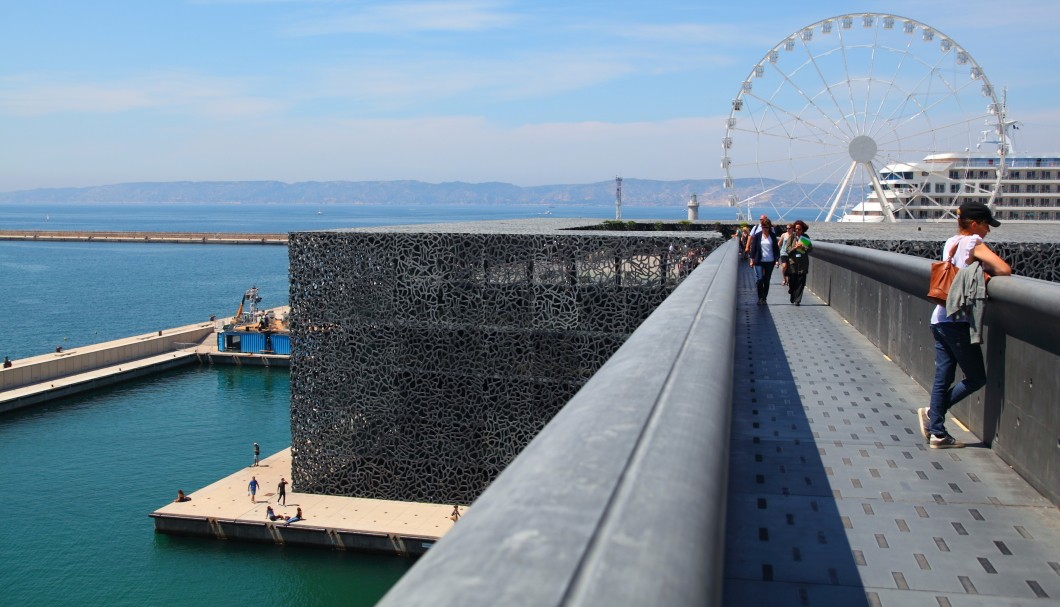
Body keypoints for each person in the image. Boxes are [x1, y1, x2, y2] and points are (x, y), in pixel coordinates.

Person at [919, 201, 1011, 449]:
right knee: (976, 377)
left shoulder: (951, 242)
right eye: (986, 225)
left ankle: (937, 429)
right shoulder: (973, 243)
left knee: (943, 377)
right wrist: (985, 272)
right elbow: (1005, 269)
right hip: (957, 321)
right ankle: (934, 417)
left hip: (939, 318)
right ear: (974, 224)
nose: (988, 231)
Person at [747, 217, 779, 305]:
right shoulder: (758, 236)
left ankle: (764, 298)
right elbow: (753, 248)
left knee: (767, 280)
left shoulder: (772, 236)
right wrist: (751, 259)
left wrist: (777, 259)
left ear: (769, 227)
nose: (765, 229)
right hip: (759, 261)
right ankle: (760, 297)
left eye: (767, 227)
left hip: (770, 261)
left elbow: (776, 248)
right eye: (763, 227)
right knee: (760, 279)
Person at [786, 220, 812, 305]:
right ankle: (792, 293)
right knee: (792, 280)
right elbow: (787, 249)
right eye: (796, 229)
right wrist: (795, 247)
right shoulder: (792, 237)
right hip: (793, 263)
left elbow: (810, 249)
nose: (797, 230)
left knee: (801, 281)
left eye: (799, 229)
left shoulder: (805, 237)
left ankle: (798, 300)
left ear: (802, 229)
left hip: (802, 263)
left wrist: (803, 247)